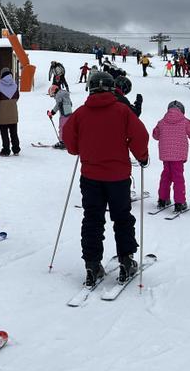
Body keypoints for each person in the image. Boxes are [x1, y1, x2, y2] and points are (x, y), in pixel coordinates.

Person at [62, 74, 150, 286]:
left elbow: (68, 137)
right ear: (112, 88)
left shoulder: (81, 113)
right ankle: (126, 260)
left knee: (92, 219)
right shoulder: (122, 111)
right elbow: (140, 135)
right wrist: (142, 156)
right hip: (118, 177)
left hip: (90, 176)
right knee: (122, 218)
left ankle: (92, 265)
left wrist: (78, 148)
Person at [152, 100, 190, 212]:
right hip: (178, 156)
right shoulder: (185, 121)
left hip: (165, 155)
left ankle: (162, 199)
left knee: (166, 176)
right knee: (178, 177)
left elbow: (155, 135)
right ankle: (179, 202)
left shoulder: (162, 122)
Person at [0, 67, 20, 156]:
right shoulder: (15, 85)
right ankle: (16, 149)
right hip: (13, 110)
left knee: (4, 132)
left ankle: (6, 150)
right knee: (14, 131)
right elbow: (17, 97)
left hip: (2, 111)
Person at [47, 84, 73, 149]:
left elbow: (58, 105)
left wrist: (52, 112)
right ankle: (69, 141)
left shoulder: (58, 95)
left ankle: (62, 142)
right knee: (68, 127)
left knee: (62, 128)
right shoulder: (65, 94)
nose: (53, 96)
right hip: (69, 113)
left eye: (52, 94)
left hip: (63, 113)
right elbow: (71, 103)